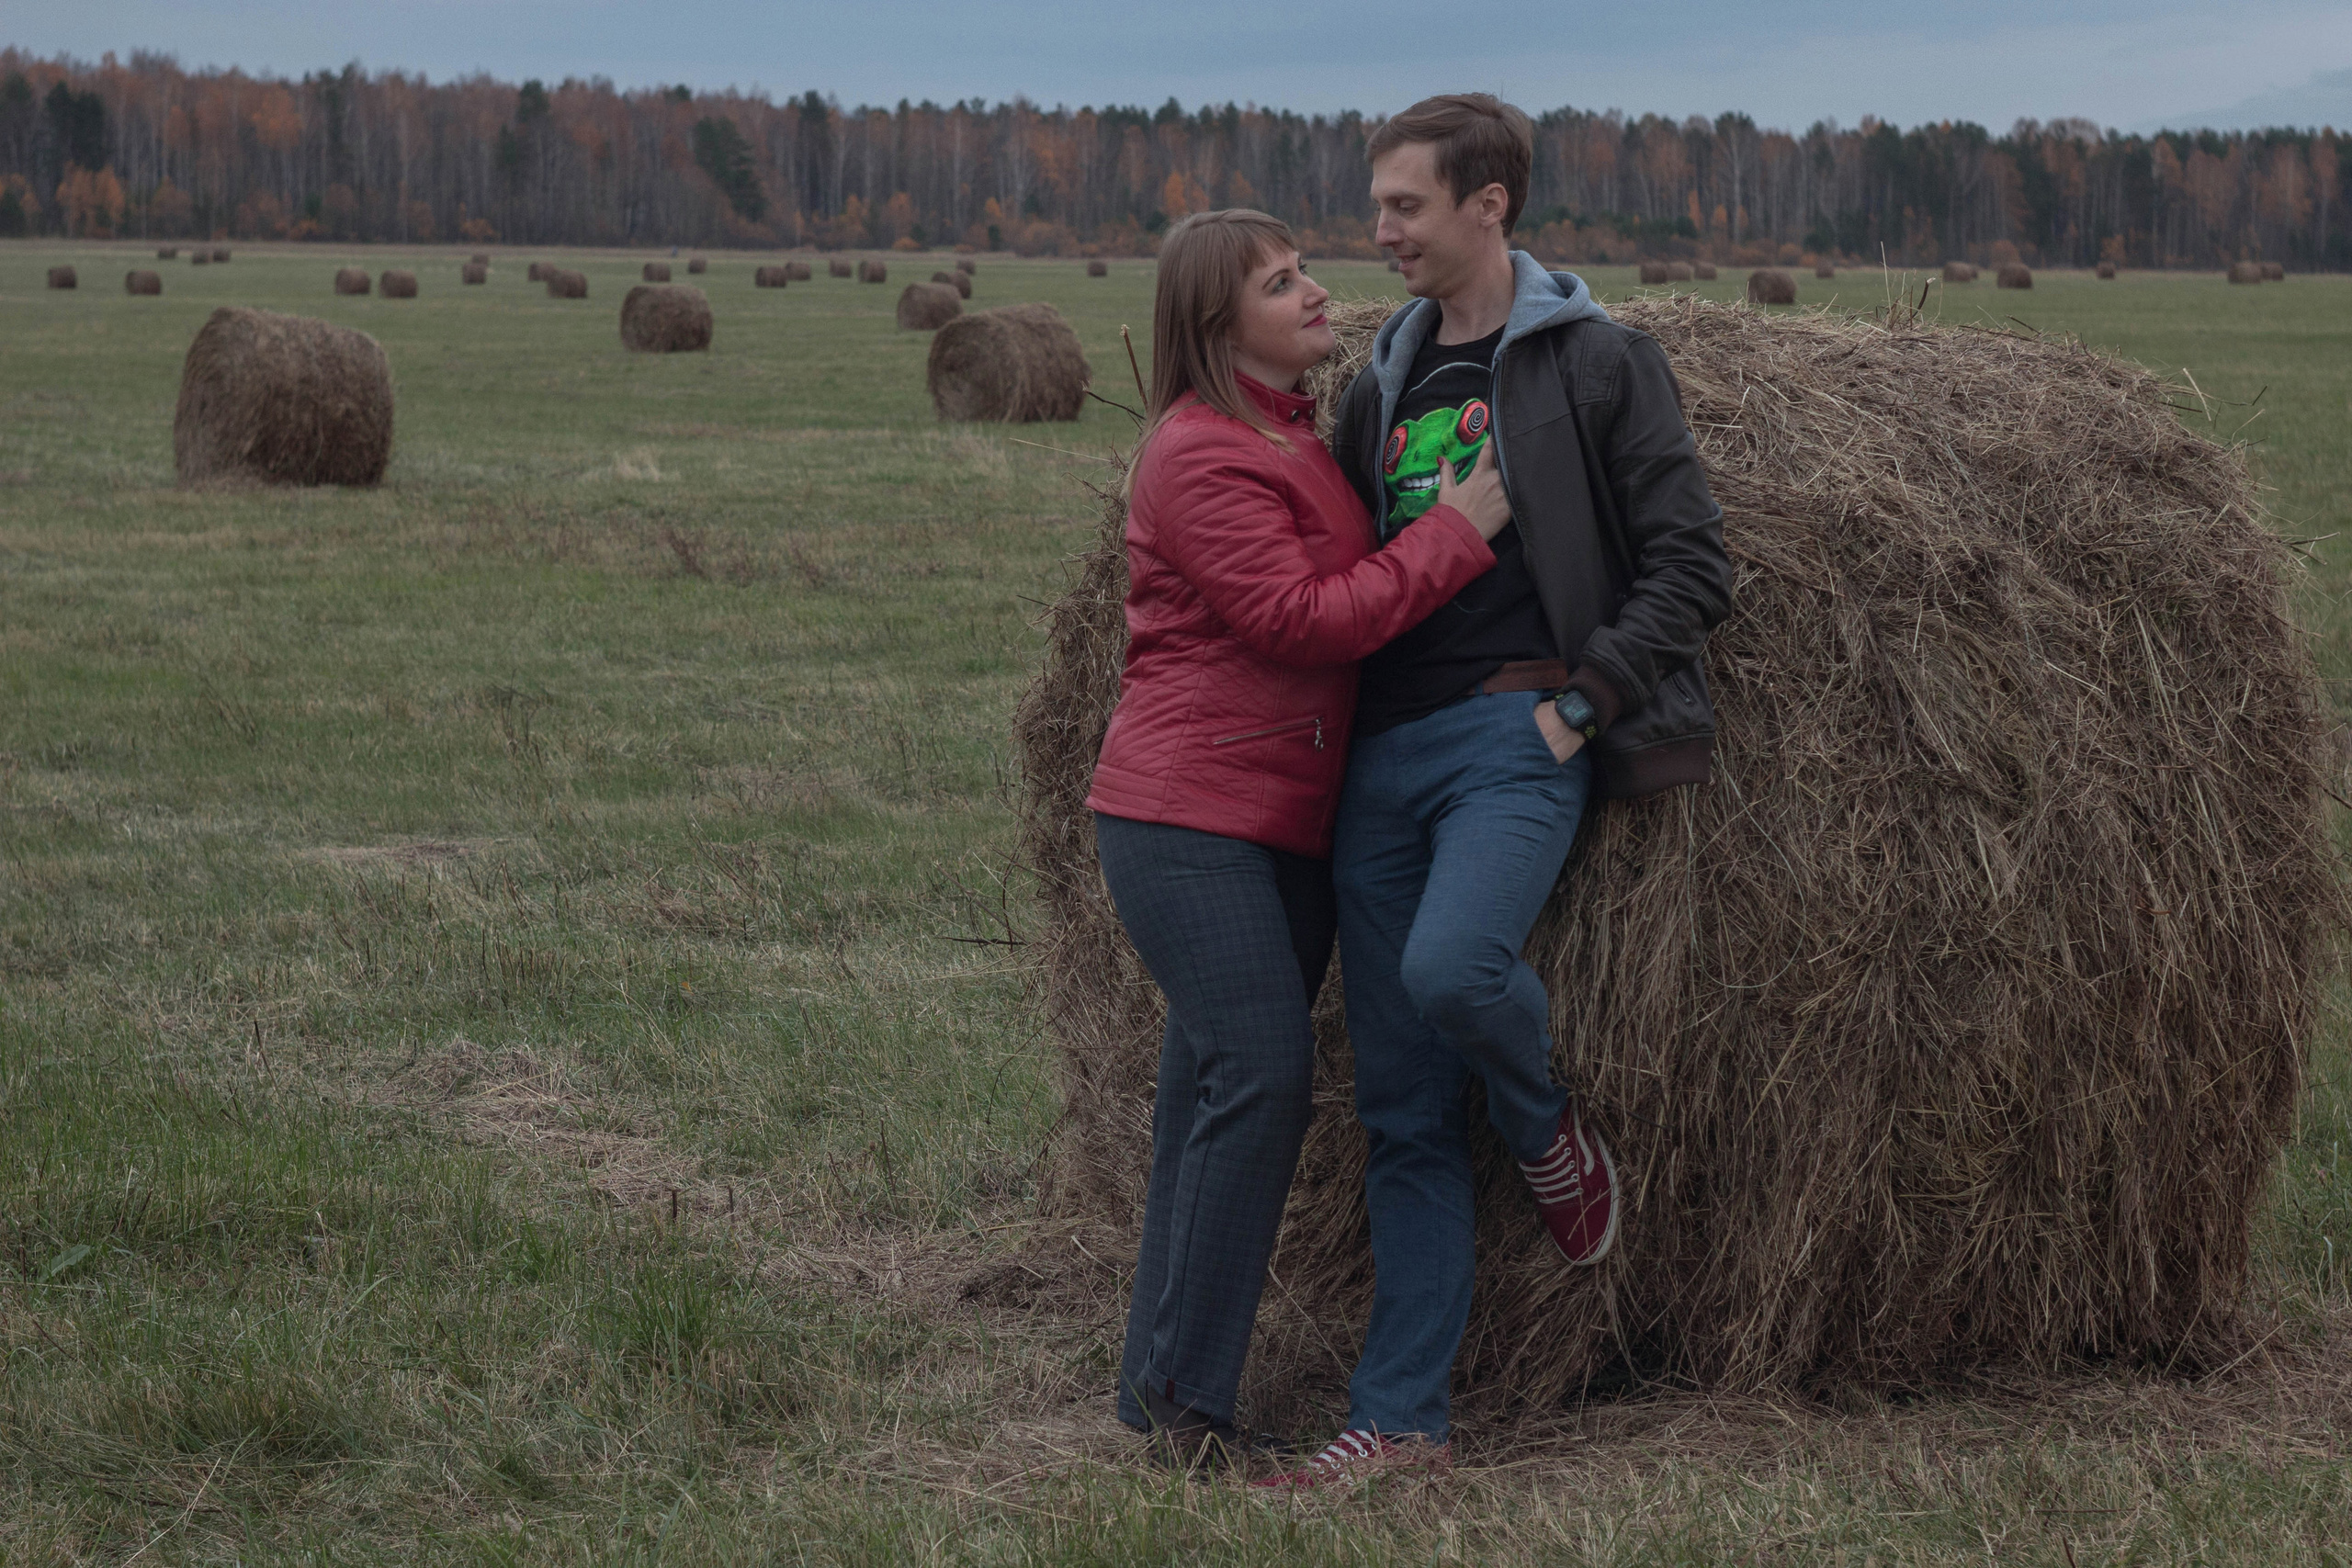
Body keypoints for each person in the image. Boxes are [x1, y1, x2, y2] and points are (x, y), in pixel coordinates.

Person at [1255, 95, 1734, 1490]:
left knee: (1457, 968)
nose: (1381, 231)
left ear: (1490, 205)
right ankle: (1401, 1420)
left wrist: (1584, 705)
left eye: (1404, 205)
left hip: (1513, 736)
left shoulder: (1598, 363)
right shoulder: (1381, 379)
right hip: (1383, 758)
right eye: (1378, 204)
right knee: (1400, 1116)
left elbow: (1694, 563)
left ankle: (1545, 1131)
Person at [1086, 207, 1515, 1468]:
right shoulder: (1197, 453)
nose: (1318, 290)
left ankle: (1157, 1386)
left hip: (1280, 820)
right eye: (1281, 284)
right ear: (1218, 326)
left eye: (1303, 271)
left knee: (1205, 1096)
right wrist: (1457, 532)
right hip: (1187, 817)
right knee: (1263, 1076)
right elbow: (1299, 619)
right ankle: (1190, 1412)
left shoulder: (1289, 434)